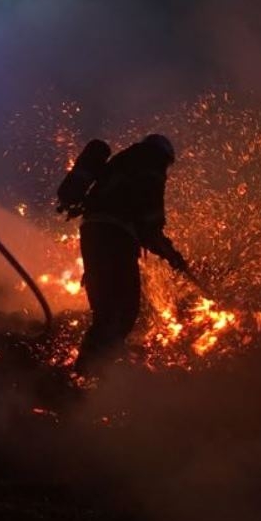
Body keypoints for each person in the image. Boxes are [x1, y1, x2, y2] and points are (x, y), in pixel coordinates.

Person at [74, 133, 188, 375]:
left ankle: (88, 368)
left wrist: (165, 249)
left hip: (92, 234)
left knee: (105, 307)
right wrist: (172, 255)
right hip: (117, 238)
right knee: (124, 309)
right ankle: (94, 371)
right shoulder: (151, 165)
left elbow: (139, 219)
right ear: (164, 156)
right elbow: (150, 222)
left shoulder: (122, 162)